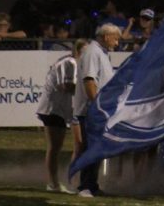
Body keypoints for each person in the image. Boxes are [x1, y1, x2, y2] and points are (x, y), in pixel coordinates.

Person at [73, 24, 121, 198]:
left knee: (97, 148)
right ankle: (85, 186)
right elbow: (89, 81)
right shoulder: (93, 52)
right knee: (90, 148)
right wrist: (97, 105)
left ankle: (92, 185)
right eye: (115, 39)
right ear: (106, 36)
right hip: (91, 110)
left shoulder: (101, 53)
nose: (117, 43)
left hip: (98, 109)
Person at [37, 38, 85, 193]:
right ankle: (53, 183)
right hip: (53, 109)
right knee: (55, 147)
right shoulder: (69, 63)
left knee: (80, 144)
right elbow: (66, 86)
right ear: (78, 52)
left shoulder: (80, 66)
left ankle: (73, 180)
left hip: (69, 109)